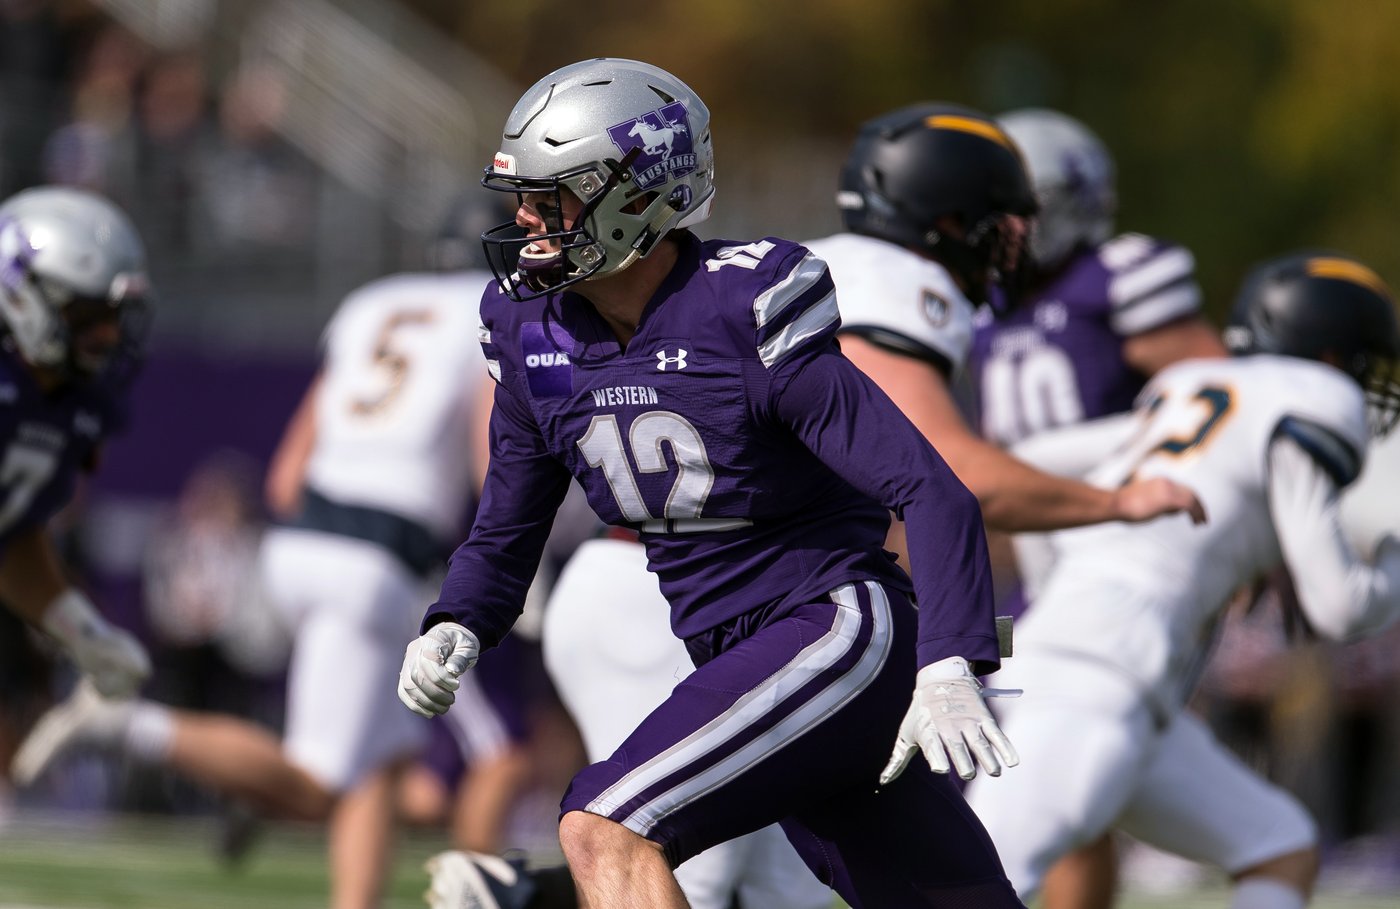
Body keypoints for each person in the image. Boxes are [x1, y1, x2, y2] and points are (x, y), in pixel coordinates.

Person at [424, 99, 1210, 909]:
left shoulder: (738, 305)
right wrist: (459, 617)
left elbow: (929, 484)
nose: (523, 218)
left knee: (607, 824)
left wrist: (950, 658)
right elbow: (510, 515)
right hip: (727, 637)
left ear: (635, 196)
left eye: (552, 196)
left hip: (830, 625)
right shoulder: (529, 328)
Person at [11, 192, 507, 909]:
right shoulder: (492, 311)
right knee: (314, 783)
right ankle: (128, 726)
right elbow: (492, 459)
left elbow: (283, 476)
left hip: (305, 538)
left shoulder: (374, 302)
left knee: (386, 758)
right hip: (380, 555)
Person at [964, 252, 1400, 909]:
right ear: (1334, 358)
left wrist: (1053, 594)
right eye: (1366, 363)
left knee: (1278, 844)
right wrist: (1392, 562)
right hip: (1095, 684)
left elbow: (1029, 467)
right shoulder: (1310, 400)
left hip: (1125, 690)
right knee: (971, 890)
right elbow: (1339, 607)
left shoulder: (1191, 388)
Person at [970, 106, 1229, 908]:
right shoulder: (981, 302)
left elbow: (1222, 397)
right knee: (1056, 773)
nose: (1001, 229)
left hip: (1118, 548)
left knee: (1063, 760)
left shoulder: (1118, 275)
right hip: (1042, 557)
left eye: (1019, 210)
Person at [0, 185, 152, 699]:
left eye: (112, 319)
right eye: (86, 317)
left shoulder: (73, 402)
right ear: (17, 293)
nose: (107, 337)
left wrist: (80, 630)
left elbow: (10, 535)